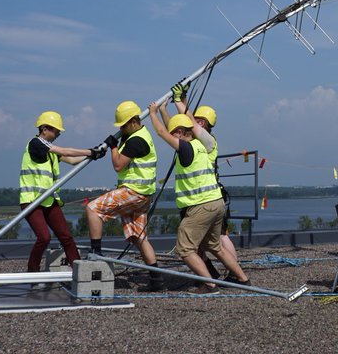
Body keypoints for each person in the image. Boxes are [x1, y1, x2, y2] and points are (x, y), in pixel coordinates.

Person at [148, 101, 250, 292]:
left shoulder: (186, 149)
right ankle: (243, 279)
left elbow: (163, 133)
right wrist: (163, 110)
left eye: (175, 133)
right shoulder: (200, 145)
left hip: (200, 205)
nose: (172, 137)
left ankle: (210, 284)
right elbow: (172, 128)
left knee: (185, 249)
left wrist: (152, 113)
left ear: (180, 132)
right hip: (216, 203)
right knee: (215, 245)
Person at [84, 100, 163, 291]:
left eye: (123, 124)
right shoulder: (139, 136)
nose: (121, 128)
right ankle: (156, 280)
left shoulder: (136, 140)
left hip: (134, 192)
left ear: (134, 121)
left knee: (92, 209)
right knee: (139, 237)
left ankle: (96, 253)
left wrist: (112, 147)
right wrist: (118, 143)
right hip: (142, 195)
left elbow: (118, 165)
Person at [19, 110, 104, 273]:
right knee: (44, 237)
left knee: (66, 237)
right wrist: (89, 151)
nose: (58, 134)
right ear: (44, 129)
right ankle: (32, 273)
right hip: (31, 201)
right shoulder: (36, 144)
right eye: (56, 131)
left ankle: (79, 272)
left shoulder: (49, 151)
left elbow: (71, 160)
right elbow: (66, 152)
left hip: (48, 200)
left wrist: (94, 156)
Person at [171, 88, 237, 278]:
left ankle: (232, 274)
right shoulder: (196, 140)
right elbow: (185, 121)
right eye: (197, 118)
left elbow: (189, 122)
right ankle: (211, 274)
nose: (197, 122)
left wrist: (177, 100)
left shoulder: (208, 141)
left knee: (221, 239)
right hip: (197, 198)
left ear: (208, 126)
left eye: (202, 121)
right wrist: (182, 98)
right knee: (201, 244)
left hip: (207, 197)